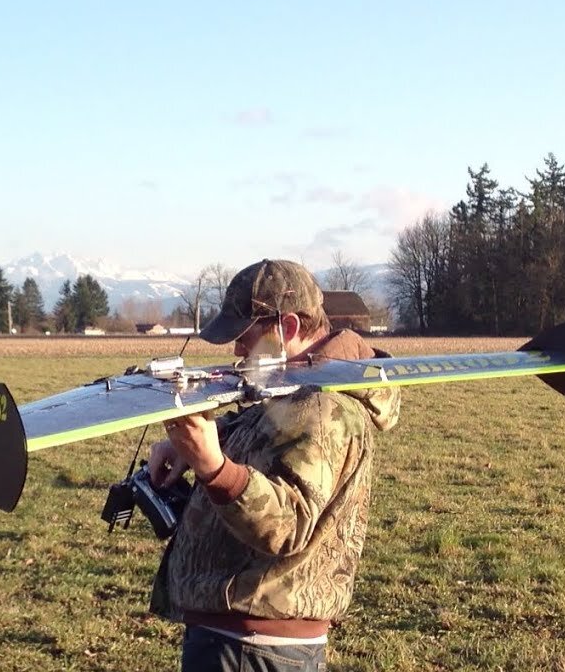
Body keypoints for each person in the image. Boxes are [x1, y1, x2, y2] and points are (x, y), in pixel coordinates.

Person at [147, 258, 401, 672]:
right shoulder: (292, 388)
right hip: (244, 639)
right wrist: (201, 444)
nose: (237, 350)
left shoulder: (322, 407)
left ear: (287, 329)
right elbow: (270, 434)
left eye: (244, 337)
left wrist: (213, 465)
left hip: (255, 649)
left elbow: (289, 523)